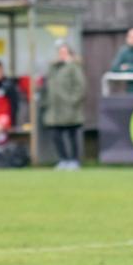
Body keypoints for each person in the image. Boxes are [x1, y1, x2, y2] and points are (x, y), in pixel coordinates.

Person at [42, 42, 86, 170]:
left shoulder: (74, 67)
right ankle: (63, 159)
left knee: (72, 135)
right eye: (60, 52)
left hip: (69, 108)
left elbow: (80, 87)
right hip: (54, 109)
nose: (62, 55)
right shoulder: (53, 68)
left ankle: (74, 160)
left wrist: (72, 101)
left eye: (65, 52)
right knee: (56, 134)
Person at [0, 60, 20, 146]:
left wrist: (13, 123)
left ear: (2, 71)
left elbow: (14, 105)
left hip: (4, 117)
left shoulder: (8, 85)